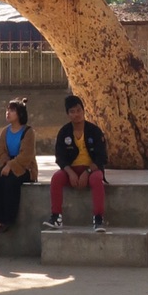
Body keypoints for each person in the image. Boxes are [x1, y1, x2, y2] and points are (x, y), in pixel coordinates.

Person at [43, 94, 108, 232]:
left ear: (83, 111)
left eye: (79, 110)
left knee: (97, 179)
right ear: (68, 114)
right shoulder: (64, 132)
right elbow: (60, 157)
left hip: (91, 170)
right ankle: (56, 217)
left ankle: (98, 219)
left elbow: (102, 157)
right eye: (72, 112)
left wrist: (87, 172)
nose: (76, 114)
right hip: (71, 170)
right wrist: (70, 172)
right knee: (56, 178)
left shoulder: (95, 131)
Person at [0, 99, 38, 233]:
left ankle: (7, 220)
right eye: (7, 110)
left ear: (20, 114)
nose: (8, 113)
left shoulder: (28, 132)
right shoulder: (5, 131)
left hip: (24, 168)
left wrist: (11, 165)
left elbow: (26, 155)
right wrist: (5, 164)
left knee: (11, 183)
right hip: (6, 166)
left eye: (12, 110)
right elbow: (1, 152)